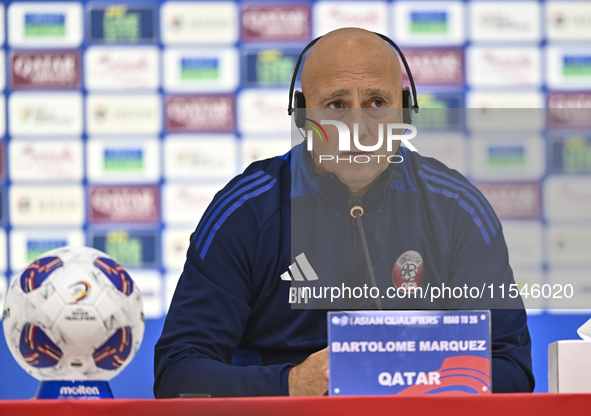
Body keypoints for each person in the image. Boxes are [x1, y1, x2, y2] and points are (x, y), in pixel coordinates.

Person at [154, 28, 534, 397]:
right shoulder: (246, 211)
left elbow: (510, 367)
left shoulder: (456, 209)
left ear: (404, 110)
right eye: (336, 105)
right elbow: (179, 372)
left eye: (377, 103)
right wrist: (288, 386)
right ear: (302, 116)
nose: (358, 128)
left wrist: (407, 379)